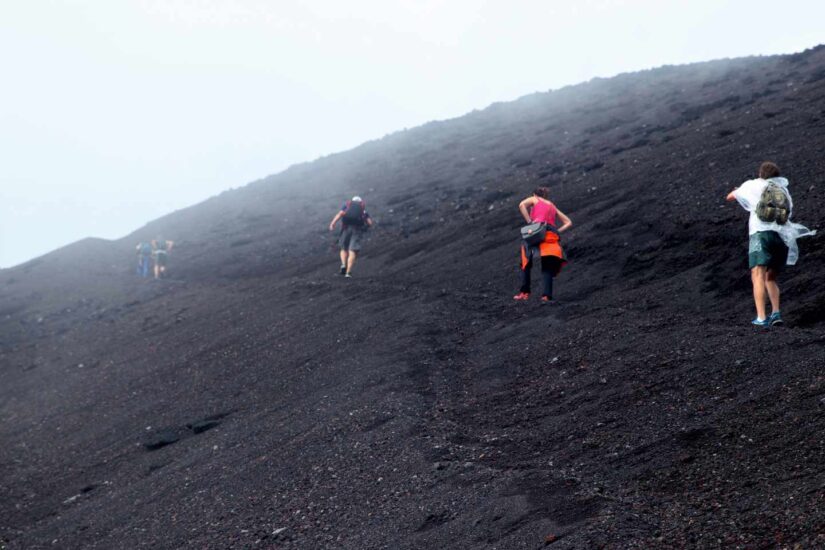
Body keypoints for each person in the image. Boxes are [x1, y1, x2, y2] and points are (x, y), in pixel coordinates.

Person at [726, 161, 815, 326]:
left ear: (761, 174)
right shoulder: (783, 191)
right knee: (770, 277)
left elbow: (730, 197)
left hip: (761, 234)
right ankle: (776, 313)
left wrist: (738, 190)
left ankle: (761, 317)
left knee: (757, 274)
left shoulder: (753, 185)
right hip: (782, 237)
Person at [514, 187, 572, 302]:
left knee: (526, 261)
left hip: (536, 231)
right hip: (550, 233)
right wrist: (557, 231)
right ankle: (546, 296)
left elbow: (521, 205)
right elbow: (568, 222)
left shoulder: (535, 199)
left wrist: (530, 222)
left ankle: (524, 293)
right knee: (547, 265)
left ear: (535, 194)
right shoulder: (552, 205)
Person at [329, 196, 373, 278]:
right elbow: (370, 223)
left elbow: (340, 214)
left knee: (343, 248)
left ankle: (343, 265)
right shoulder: (363, 210)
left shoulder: (347, 206)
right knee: (352, 250)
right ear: (361, 203)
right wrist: (365, 227)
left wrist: (332, 224)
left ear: (352, 202)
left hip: (346, 229)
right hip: (357, 230)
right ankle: (348, 273)